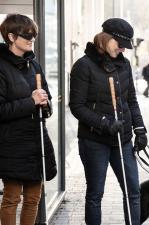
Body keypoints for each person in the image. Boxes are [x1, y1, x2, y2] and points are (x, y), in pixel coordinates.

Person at [69, 18, 148, 225]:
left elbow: (131, 100)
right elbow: (77, 106)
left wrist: (140, 129)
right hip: (94, 140)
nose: (123, 49)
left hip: (122, 139)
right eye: (120, 44)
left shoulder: (125, 64)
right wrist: (104, 122)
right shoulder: (83, 66)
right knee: (95, 195)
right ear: (105, 39)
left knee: (133, 191)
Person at [0, 14, 57, 225]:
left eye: (33, 34)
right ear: (11, 36)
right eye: (27, 35)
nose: (32, 38)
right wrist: (30, 101)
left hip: (36, 141)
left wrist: (45, 103)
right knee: (12, 198)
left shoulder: (34, 64)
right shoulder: (1, 67)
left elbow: (47, 99)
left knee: (34, 198)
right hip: (11, 144)